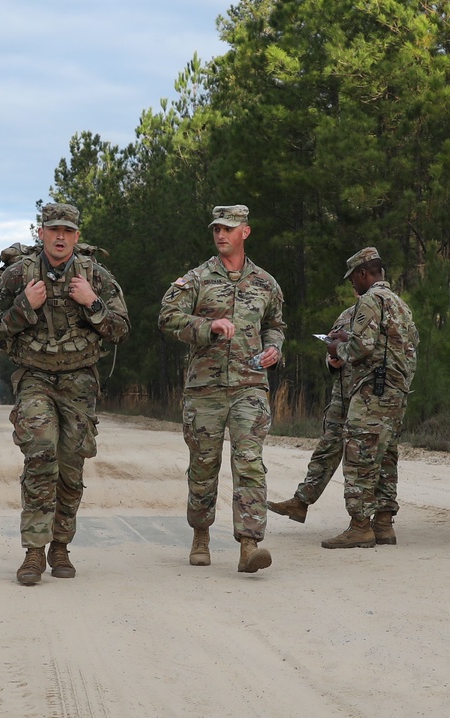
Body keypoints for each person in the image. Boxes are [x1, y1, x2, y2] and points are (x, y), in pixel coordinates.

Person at [0, 202, 130, 585]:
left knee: (70, 465)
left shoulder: (95, 277)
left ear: (77, 237)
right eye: (53, 230)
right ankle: (33, 552)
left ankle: (60, 546)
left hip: (79, 381)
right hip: (35, 377)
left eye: (67, 231)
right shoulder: (19, 275)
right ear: (41, 233)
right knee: (41, 453)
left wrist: (91, 304)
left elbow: (121, 329)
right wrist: (22, 308)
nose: (60, 236)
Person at [158, 204, 286, 573]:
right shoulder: (197, 278)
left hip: (250, 385)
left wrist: (274, 346)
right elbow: (167, 317)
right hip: (205, 389)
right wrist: (206, 327)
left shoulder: (265, 282)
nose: (221, 234)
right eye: (217, 228)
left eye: (229, 228)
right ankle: (200, 532)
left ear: (245, 231)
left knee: (249, 463)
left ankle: (249, 545)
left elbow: (276, 323)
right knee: (203, 464)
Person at [268, 305, 402, 531]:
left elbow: (393, 352)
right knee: (327, 446)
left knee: (382, 451)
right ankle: (301, 501)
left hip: (374, 394)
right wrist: (332, 360)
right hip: (343, 391)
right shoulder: (347, 315)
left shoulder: (390, 312)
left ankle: (384, 518)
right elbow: (332, 348)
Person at [320, 247, 418, 549]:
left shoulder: (370, 301)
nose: (353, 285)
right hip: (396, 391)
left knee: (359, 455)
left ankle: (360, 525)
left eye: (353, 279)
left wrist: (337, 349)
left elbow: (361, 348)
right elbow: (400, 346)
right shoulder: (400, 305)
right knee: (385, 454)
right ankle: (384, 524)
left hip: (372, 391)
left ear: (364, 274)